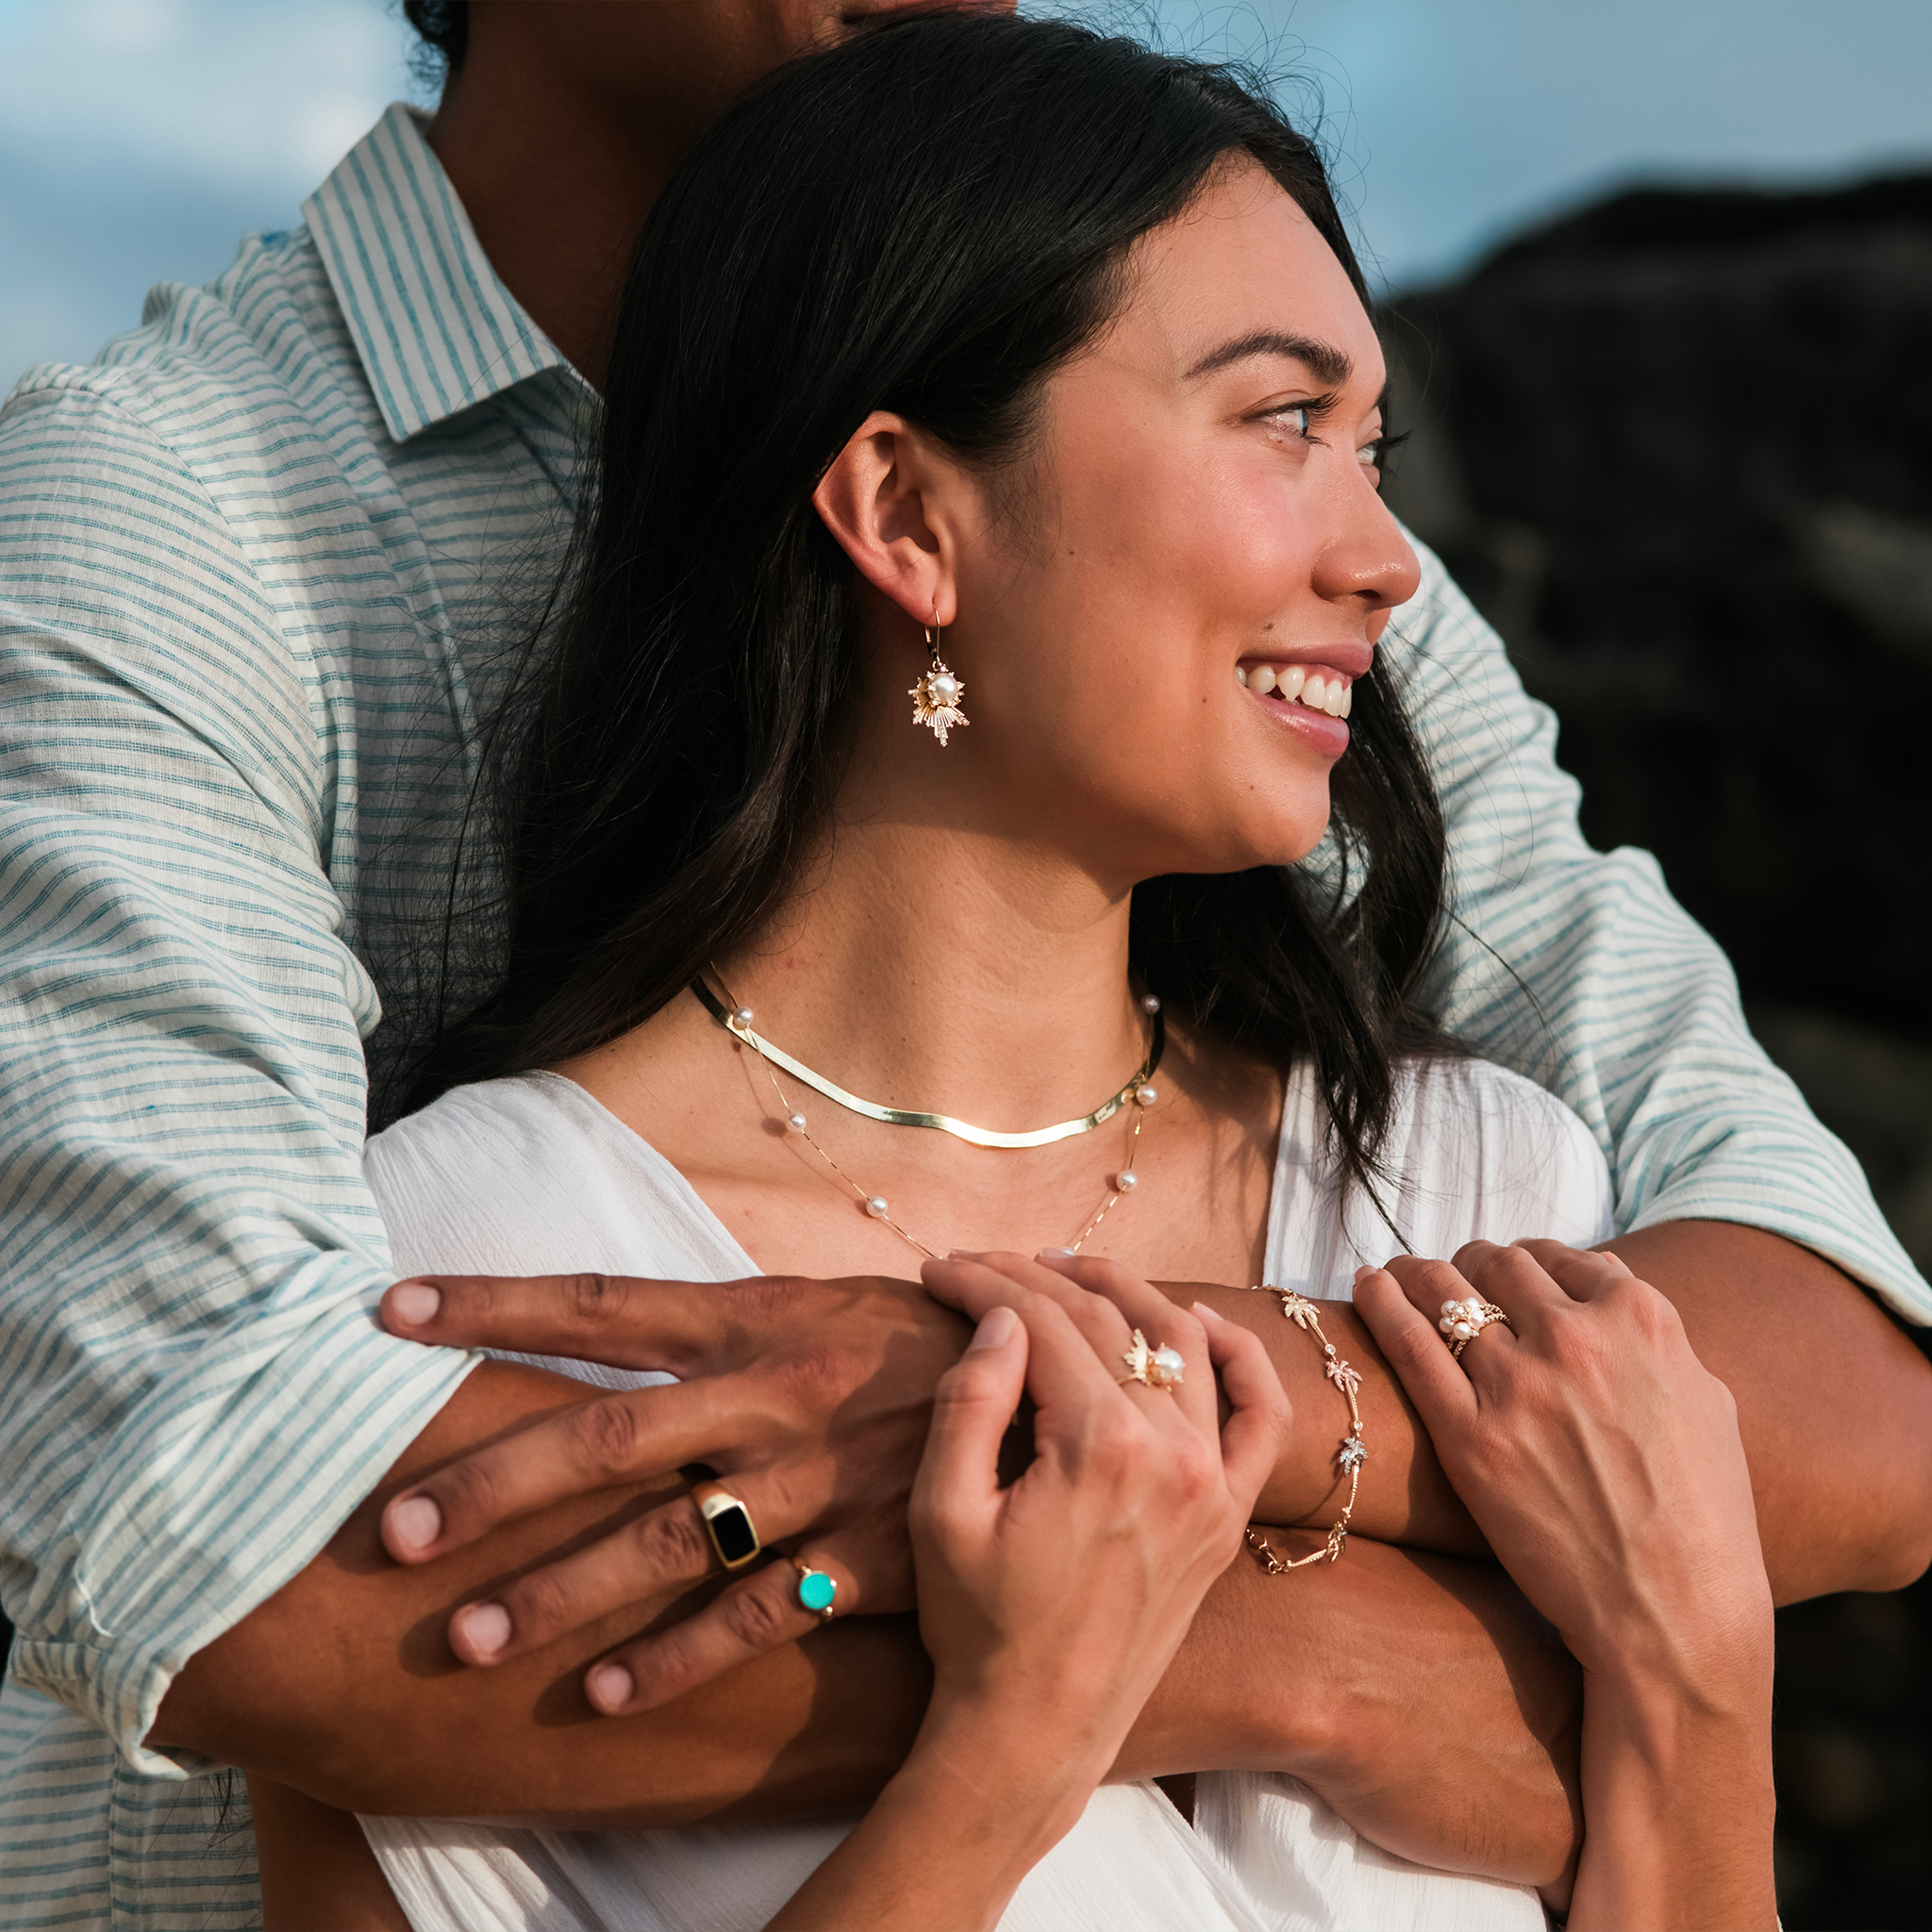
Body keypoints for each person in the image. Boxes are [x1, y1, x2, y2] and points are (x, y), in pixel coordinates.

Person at [0, 3, 1925, 1927]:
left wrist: (1119, 1390)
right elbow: (253, 1552)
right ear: (900, 514)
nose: (1373, 559)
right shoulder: (168, 523)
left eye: (1355, 438)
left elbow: (1836, 1364)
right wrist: (1316, 1659)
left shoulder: (1316, 721)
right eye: (1283, 424)